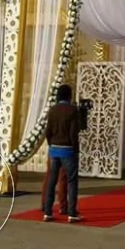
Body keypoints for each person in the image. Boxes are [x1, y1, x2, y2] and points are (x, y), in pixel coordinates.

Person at [43, 84, 82, 223]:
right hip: (67, 150)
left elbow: (47, 131)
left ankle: (48, 212)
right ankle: (71, 213)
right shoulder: (73, 110)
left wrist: (51, 144)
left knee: (52, 181)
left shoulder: (52, 110)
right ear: (69, 96)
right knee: (71, 181)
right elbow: (73, 133)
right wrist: (75, 149)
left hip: (54, 149)